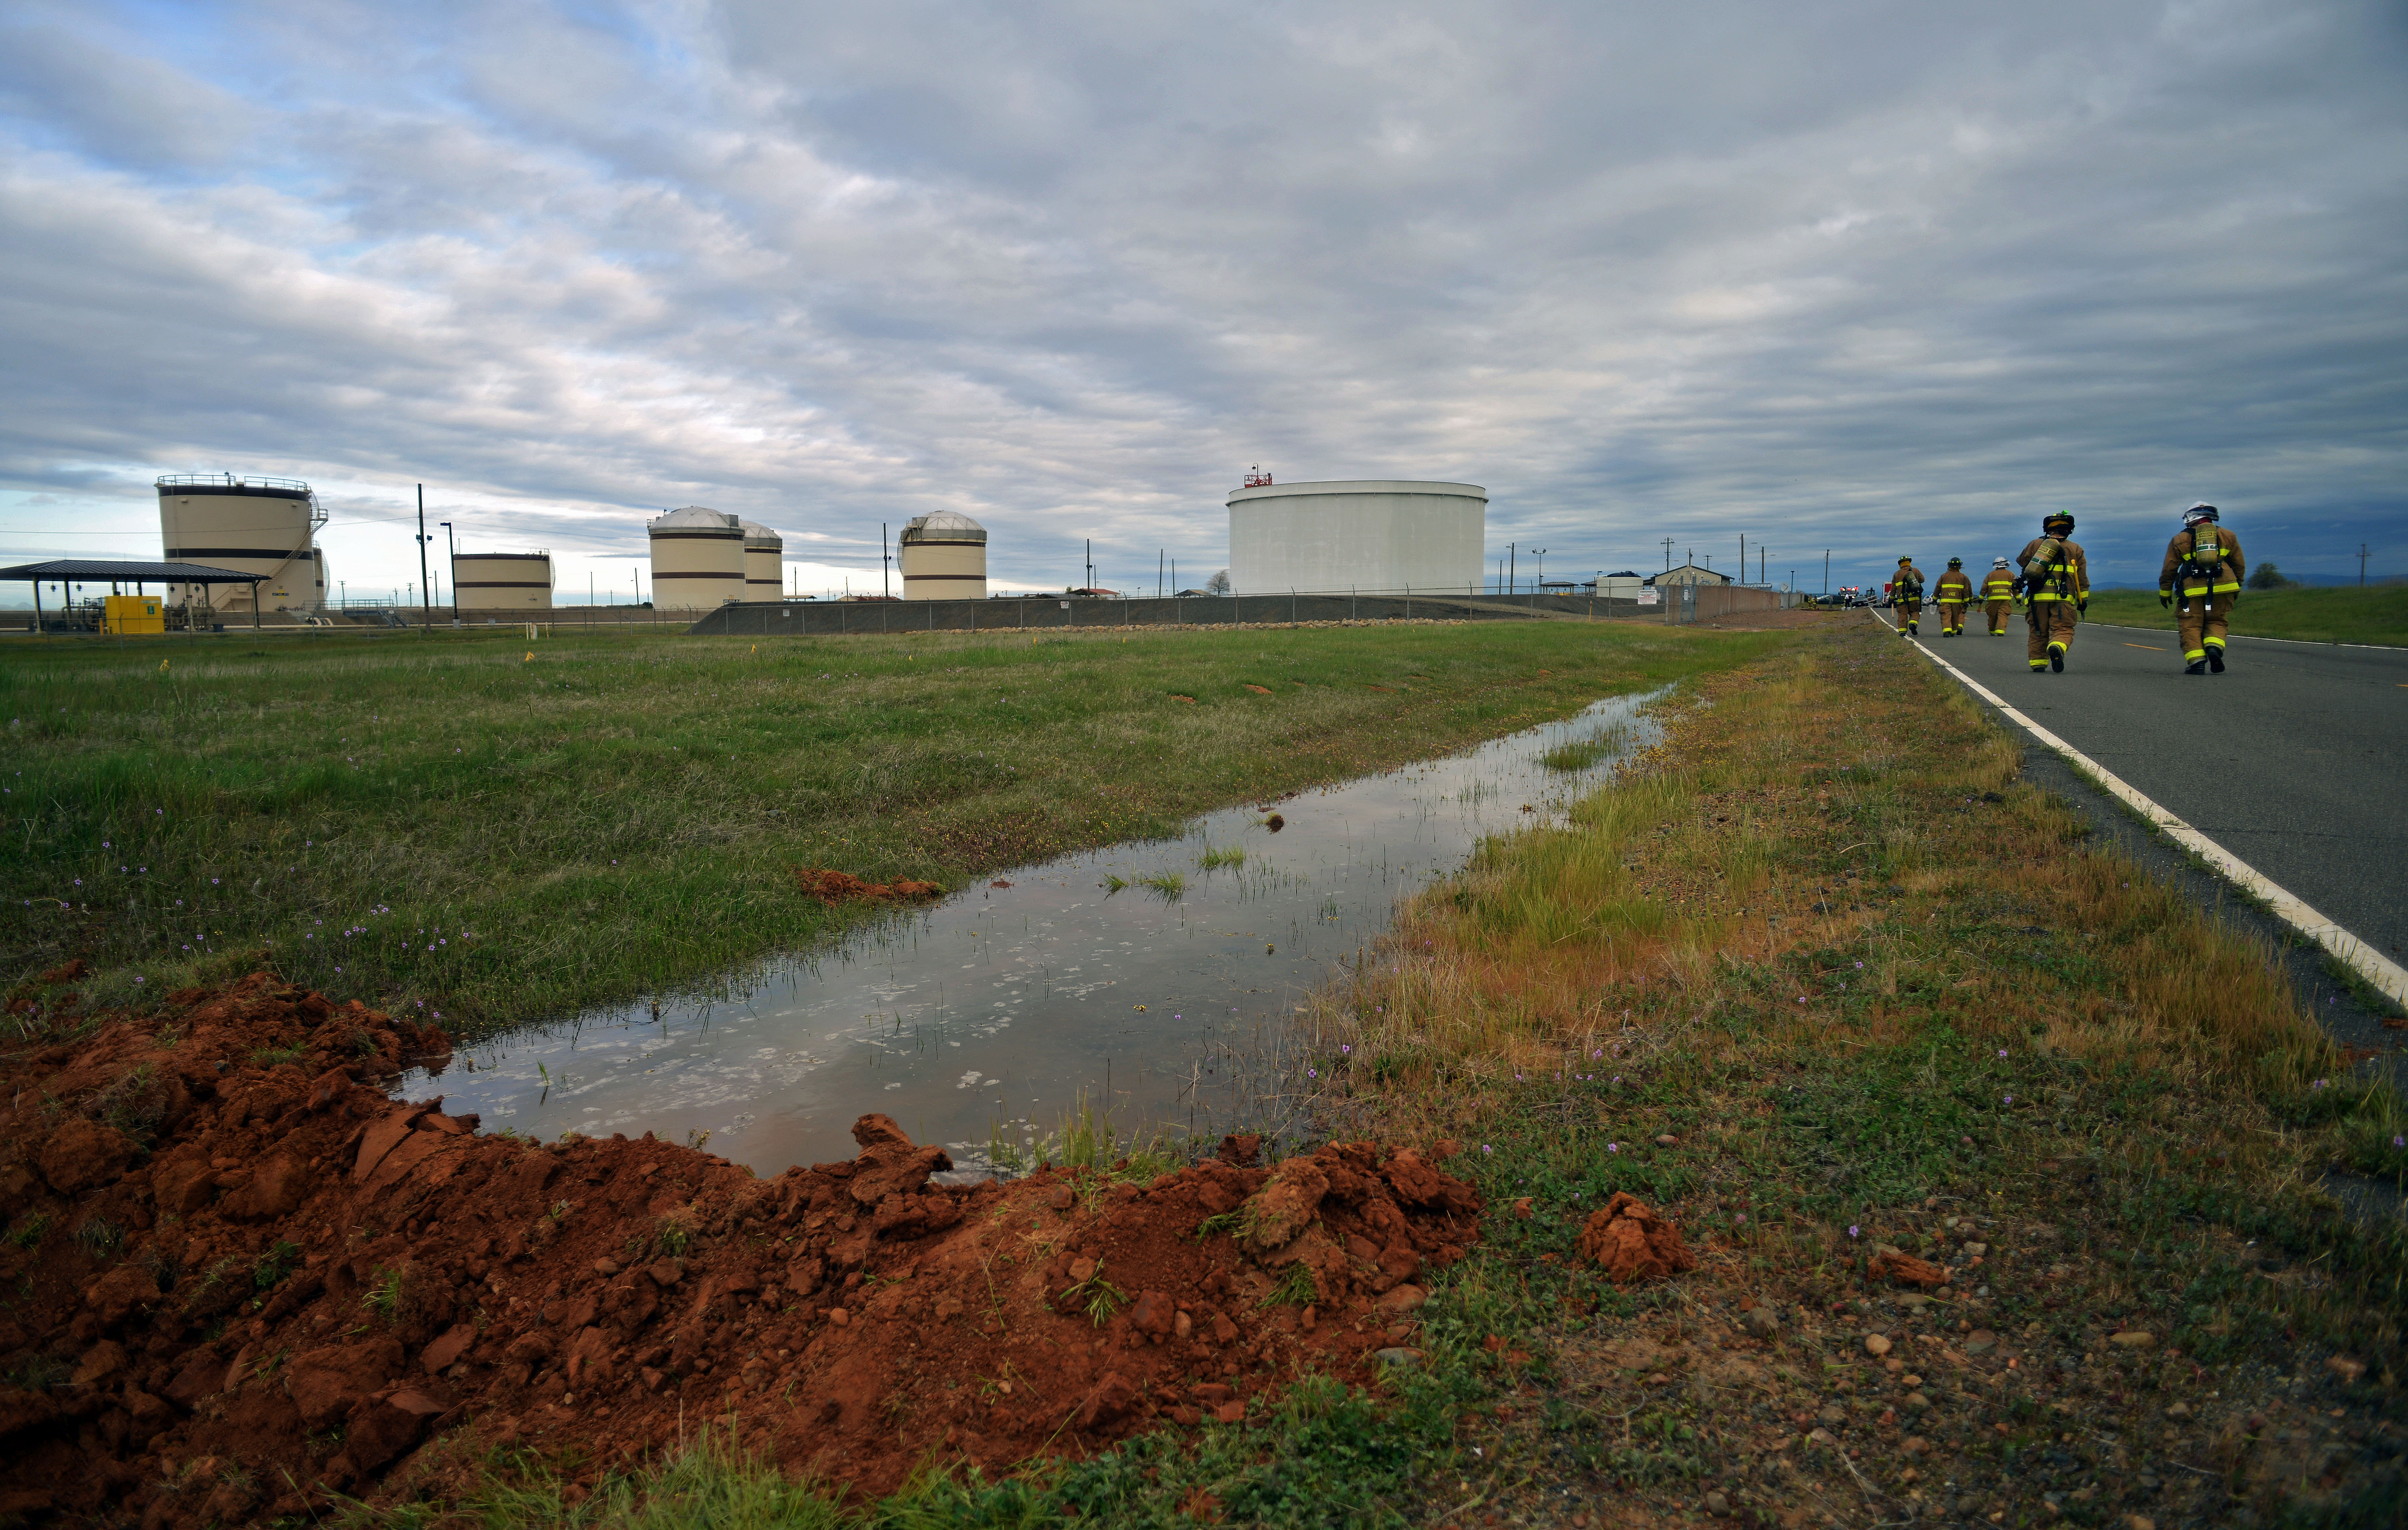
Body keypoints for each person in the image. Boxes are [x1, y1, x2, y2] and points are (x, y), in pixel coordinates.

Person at [2157, 503, 2245, 675]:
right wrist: (2237, 586)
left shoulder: (2180, 539)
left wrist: (2165, 592)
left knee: (2190, 625)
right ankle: (2214, 648)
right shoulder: (2228, 535)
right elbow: (2239, 565)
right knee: (2218, 621)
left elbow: (2169, 569)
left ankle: (2197, 662)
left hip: (2192, 590)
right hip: (2225, 587)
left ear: (2191, 517)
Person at [2015, 514, 2089, 672]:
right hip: (2063, 600)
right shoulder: (2076, 549)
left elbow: (2022, 562)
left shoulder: (2035, 544)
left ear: (2048, 529)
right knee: (2063, 629)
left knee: (2038, 632)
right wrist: (2083, 601)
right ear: (2070, 530)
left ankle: (2038, 664)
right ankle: (2057, 646)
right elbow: (2081, 579)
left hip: (2037, 599)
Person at [1932, 558, 1974, 635]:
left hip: (1945, 601)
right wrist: (1968, 601)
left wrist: (1934, 599)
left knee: (1946, 615)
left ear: (1949, 566)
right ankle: (1954, 631)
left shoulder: (1944, 576)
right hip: (1958, 602)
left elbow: (1938, 588)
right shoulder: (1964, 577)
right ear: (1960, 566)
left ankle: (1947, 630)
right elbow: (1967, 590)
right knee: (1955, 617)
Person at [1979, 557, 2017, 635]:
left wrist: (1981, 598)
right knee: (2003, 614)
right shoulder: (2011, 575)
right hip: (2005, 598)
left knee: (1993, 615)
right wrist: (2018, 598)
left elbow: (1984, 588)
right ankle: (2001, 631)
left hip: (1993, 599)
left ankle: (1992, 630)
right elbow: (2015, 588)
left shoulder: (1991, 575)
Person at [1890, 556, 1926, 637]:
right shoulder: (1915, 571)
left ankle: (1902, 631)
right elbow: (1922, 580)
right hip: (1914, 599)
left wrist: (1891, 599)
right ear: (1909, 563)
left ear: (1900, 565)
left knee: (1903, 615)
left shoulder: (1897, 574)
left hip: (1902, 600)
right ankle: (1913, 624)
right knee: (1915, 612)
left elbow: (1893, 589)